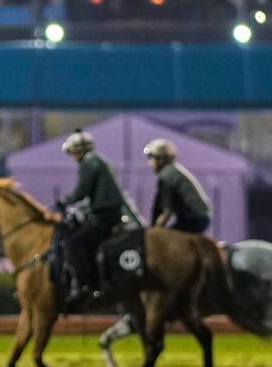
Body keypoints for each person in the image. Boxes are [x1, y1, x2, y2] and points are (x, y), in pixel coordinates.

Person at [54, 129, 131, 305]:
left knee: (72, 244)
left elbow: (81, 192)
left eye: (72, 153)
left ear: (78, 151)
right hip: (109, 212)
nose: (73, 157)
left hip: (104, 215)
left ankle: (84, 286)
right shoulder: (98, 161)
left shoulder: (89, 163)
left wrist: (64, 201)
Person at [144, 139, 212, 234]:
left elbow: (165, 210)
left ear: (160, 159)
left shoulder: (166, 176)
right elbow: (159, 206)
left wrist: (154, 230)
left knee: (166, 239)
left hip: (193, 219)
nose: (150, 163)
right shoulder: (173, 171)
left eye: (151, 159)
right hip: (200, 217)